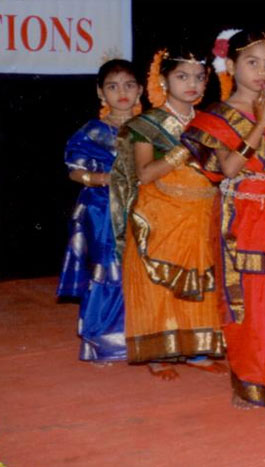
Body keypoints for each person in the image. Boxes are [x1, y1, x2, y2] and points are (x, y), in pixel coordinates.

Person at [182, 29, 265, 408]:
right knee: (251, 298)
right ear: (231, 65)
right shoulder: (214, 118)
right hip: (244, 214)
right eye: (253, 63)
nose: (263, 72)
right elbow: (228, 169)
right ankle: (251, 379)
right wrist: (259, 125)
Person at [111, 47, 226, 380]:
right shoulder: (147, 125)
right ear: (164, 80)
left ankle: (197, 350)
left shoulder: (211, 122)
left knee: (200, 280)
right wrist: (182, 151)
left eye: (199, 77)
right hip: (160, 214)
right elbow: (144, 173)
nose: (192, 84)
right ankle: (158, 353)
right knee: (159, 284)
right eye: (182, 76)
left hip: (201, 211)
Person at [57, 59, 142, 363]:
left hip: (143, 206)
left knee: (140, 268)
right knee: (108, 268)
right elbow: (74, 170)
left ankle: (141, 336)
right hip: (102, 208)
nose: (122, 92)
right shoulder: (92, 132)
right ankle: (102, 341)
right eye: (113, 86)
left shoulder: (149, 129)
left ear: (140, 89)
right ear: (100, 92)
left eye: (129, 85)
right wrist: (103, 179)